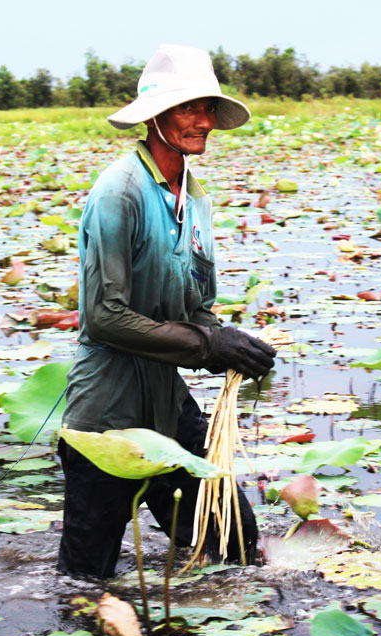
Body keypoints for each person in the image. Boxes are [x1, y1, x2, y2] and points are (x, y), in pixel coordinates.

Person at [57, 44, 277, 579]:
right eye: (188, 109)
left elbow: (196, 305)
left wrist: (228, 341)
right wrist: (207, 347)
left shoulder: (195, 200)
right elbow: (104, 318)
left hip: (167, 406)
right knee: (86, 581)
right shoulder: (119, 192)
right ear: (155, 116)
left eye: (207, 109)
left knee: (237, 546)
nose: (203, 121)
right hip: (106, 418)